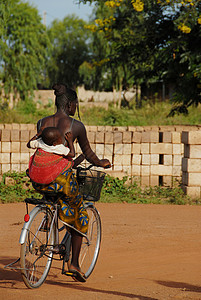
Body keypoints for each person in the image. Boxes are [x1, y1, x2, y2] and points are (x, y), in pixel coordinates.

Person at [27, 83, 111, 282]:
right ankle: (73, 263)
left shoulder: (41, 123)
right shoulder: (76, 126)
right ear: (71, 105)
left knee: (53, 195)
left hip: (38, 179)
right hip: (61, 181)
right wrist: (101, 163)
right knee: (79, 213)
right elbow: (88, 153)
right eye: (75, 105)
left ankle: (49, 219)